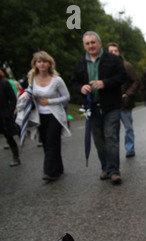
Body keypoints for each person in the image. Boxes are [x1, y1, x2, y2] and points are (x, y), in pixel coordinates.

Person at [71, 31, 127, 185]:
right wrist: (81, 88)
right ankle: (105, 168)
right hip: (93, 107)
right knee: (99, 141)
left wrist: (104, 83)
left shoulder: (113, 59)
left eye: (93, 42)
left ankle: (114, 171)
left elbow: (123, 77)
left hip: (111, 106)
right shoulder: (80, 63)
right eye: (87, 43)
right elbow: (73, 82)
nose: (91, 46)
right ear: (84, 46)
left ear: (99, 43)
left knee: (111, 137)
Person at [26, 51, 71, 180]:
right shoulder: (32, 79)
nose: (42, 64)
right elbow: (28, 94)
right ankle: (58, 167)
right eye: (39, 61)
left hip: (55, 115)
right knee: (46, 142)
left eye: (44, 61)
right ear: (35, 64)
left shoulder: (57, 80)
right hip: (39, 115)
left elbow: (67, 97)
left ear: (49, 63)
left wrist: (49, 101)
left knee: (52, 141)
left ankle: (50, 172)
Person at [107, 42, 140, 158]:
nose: (114, 53)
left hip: (125, 104)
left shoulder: (126, 66)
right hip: (111, 105)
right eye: (111, 51)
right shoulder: (105, 67)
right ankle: (113, 153)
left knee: (128, 128)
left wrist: (128, 94)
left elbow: (136, 81)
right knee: (112, 132)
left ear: (119, 52)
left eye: (115, 51)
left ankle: (129, 149)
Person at [0, 72, 20, 167]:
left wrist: (9, 111)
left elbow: (13, 98)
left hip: (4, 115)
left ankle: (16, 157)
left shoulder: (4, 83)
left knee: (9, 136)